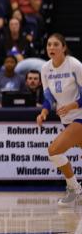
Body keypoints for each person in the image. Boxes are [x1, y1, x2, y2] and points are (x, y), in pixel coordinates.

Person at [36, 34, 82, 206]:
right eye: (49, 45)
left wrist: (71, 106)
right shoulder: (45, 69)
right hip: (67, 119)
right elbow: (48, 98)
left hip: (80, 116)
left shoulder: (75, 65)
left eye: (56, 44)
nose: (51, 48)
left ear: (64, 48)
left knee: (54, 150)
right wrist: (44, 112)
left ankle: (74, 189)